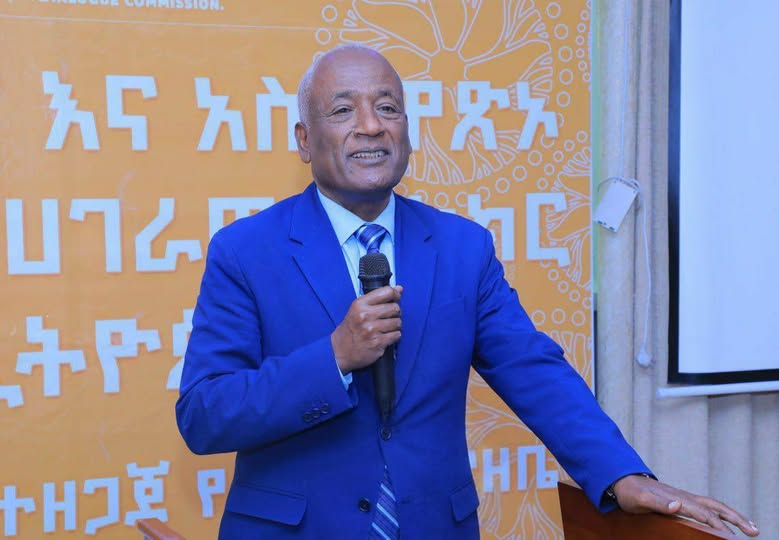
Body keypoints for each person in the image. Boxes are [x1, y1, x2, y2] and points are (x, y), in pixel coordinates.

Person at [176, 44, 759, 539]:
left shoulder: (462, 247)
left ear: (407, 132)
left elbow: (532, 369)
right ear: (305, 140)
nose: (371, 126)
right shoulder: (245, 251)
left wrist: (619, 474)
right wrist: (334, 358)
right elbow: (204, 414)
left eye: (387, 108)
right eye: (343, 110)